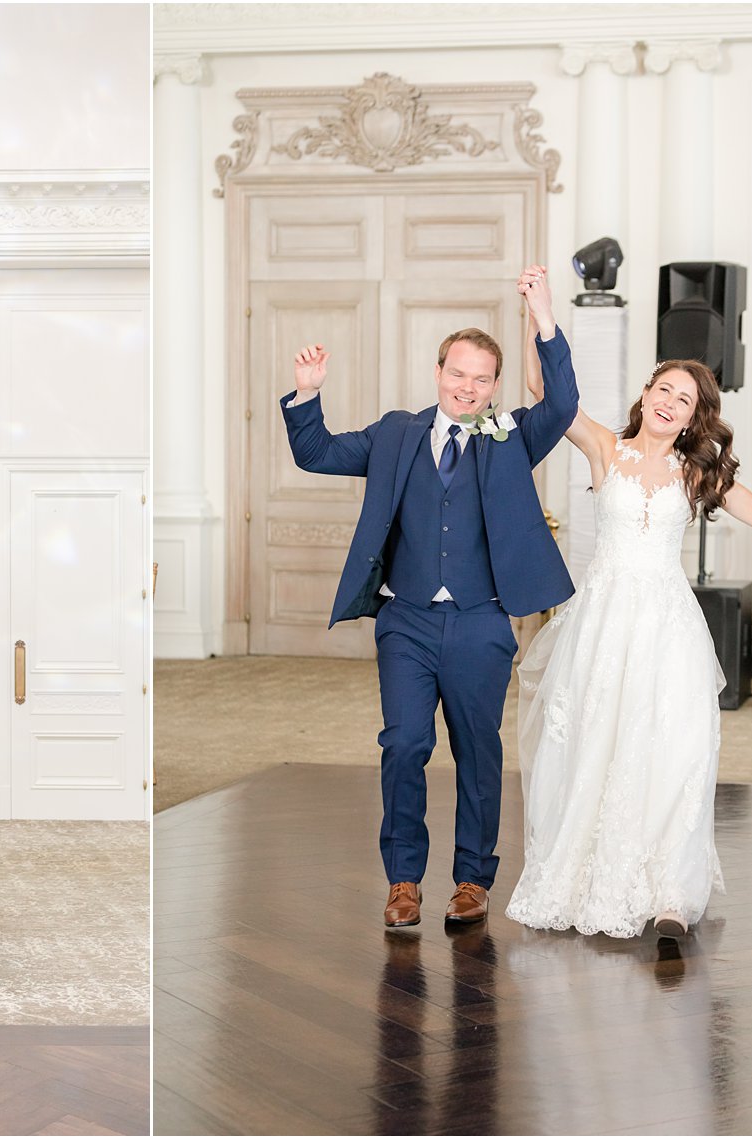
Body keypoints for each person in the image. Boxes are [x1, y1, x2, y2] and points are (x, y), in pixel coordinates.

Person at [282, 265, 576, 927]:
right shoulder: (395, 433)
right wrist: (307, 395)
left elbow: (560, 405)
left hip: (481, 623)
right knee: (405, 744)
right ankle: (403, 880)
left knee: (478, 750)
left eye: (481, 379)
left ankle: (473, 879)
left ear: (494, 386)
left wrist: (544, 319)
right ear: (438, 370)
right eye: (458, 373)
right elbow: (318, 453)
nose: (467, 387)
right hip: (406, 620)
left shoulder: (509, 436)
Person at [506, 342, 752, 939]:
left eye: (686, 400)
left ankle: (670, 893)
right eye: (665, 391)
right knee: (596, 743)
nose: (671, 404)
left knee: (675, 750)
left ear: (693, 417)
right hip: (603, 622)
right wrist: (535, 315)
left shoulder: (697, 470)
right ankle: (586, 879)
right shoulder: (607, 447)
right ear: (646, 395)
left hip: (668, 625)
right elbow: (546, 394)